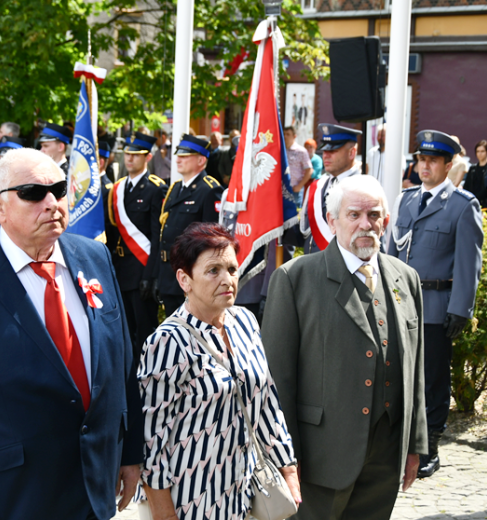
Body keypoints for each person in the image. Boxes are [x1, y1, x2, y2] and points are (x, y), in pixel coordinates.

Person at [0, 147, 143, 520]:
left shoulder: (95, 259)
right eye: (33, 193)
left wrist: (130, 453)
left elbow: (122, 363)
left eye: (60, 190)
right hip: (14, 499)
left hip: (95, 487)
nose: (51, 203)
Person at [263, 175, 426, 520]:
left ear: (386, 220)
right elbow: (277, 381)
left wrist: (415, 445)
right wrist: (283, 458)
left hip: (386, 452)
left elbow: (416, 369)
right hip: (322, 456)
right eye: (354, 215)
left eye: (374, 215)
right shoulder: (296, 279)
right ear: (332, 219)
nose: (365, 224)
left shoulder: (406, 278)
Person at [139, 222, 300, 520]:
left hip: (246, 491)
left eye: (232, 269)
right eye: (213, 270)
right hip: (190, 498)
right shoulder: (167, 342)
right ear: (184, 280)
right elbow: (152, 440)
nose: (227, 279)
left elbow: (266, 403)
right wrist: (164, 513)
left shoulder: (245, 322)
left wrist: (287, 467)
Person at [388, 130, 483, 478]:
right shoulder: (406, 200)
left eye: (432, 160)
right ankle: (400, 443)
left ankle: (429, 448)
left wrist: (461, 308)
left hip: (436, 304)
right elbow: (391, 254)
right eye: (420, 159)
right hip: (400, 304)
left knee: (432, 381)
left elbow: (468, 262)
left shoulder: (461, 205)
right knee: (397, 374)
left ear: (448, 164)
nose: (424, 165)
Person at [106, 132, 167, 358]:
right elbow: (112, 236)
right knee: (123, 332)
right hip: (121, 270)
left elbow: (156, 237)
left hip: (141, 270)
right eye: (127, 155)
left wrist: (151, 276)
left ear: (147, 158)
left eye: (135, 155)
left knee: (144, 333)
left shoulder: (155, 188)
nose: (129, 159)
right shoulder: (117, 189)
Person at [158, 134, 224, 316]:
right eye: (178, 154)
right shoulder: (175, 188)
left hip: (191, 278)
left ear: (201, 160)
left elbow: (211, 241)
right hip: (169, 275)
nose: (178, 159)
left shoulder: (210, 190)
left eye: (185, 156)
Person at [299, 123, 362, 254]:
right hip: (312, 268)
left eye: (333, 150)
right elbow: (304, 235)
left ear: (352, 153)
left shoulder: (363, 189)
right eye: (324, 150)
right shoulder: (317, 186)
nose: (326, 155)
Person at [283, 125, 313, 207]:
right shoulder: (280, 150)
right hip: (281, 189)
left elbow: (309, 170)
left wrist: (299, 186)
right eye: (284, 134)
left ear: (294, 136)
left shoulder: (301, 151)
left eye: (288, 134)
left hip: (294, 190)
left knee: (294, 217)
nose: (285, 136)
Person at [463, 140, 487, 208]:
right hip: (470, 202)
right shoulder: (473, 168)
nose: (480, 154)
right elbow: (466, 185)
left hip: (485, 203)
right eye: (478, 151)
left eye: (482, 151)